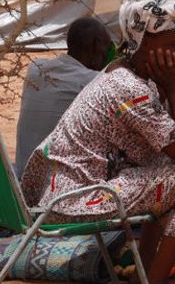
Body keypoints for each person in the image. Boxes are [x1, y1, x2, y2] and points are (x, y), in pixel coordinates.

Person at [21, 0, 175, 284]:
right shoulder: (127, 89)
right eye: (171, 46)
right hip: (76, 200)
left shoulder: (124, 73)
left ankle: (144, 275)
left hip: (71, 192)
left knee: (171, 172)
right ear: (143, 42)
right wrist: (174, 87)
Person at [14, 17, 111, 178]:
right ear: (97, 44)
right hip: (53, 189)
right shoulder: (91, 80)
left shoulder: (36, 68)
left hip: (22, 177)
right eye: (107, 48)